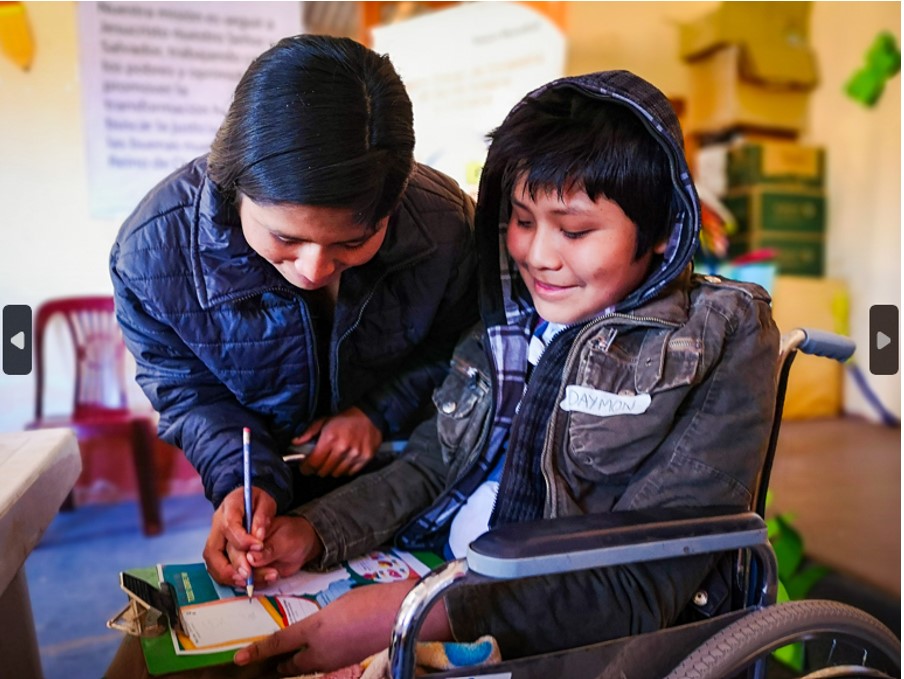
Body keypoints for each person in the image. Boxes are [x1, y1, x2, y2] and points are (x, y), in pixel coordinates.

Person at [106, 69, 780, 678]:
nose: (537, 255)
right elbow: (431, 466)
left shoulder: (721, 335)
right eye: (519, 220)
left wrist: (418, 611)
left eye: (573, 230)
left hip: (549, 637)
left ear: (662, 229)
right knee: (157, 647)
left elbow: (638, 584)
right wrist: (311, 531)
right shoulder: (512, 316)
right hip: (431, 576)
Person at [109, 35, 478, 592]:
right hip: (268, 489)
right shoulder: (152, 255)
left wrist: (377, 413)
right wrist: (240, 478)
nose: (314, 269)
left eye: (353, 243)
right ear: (235, 186)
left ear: (394, 203)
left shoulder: (446, 228)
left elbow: (462, 351)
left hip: (415, 476)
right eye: (285, 238)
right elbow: (189, 393)